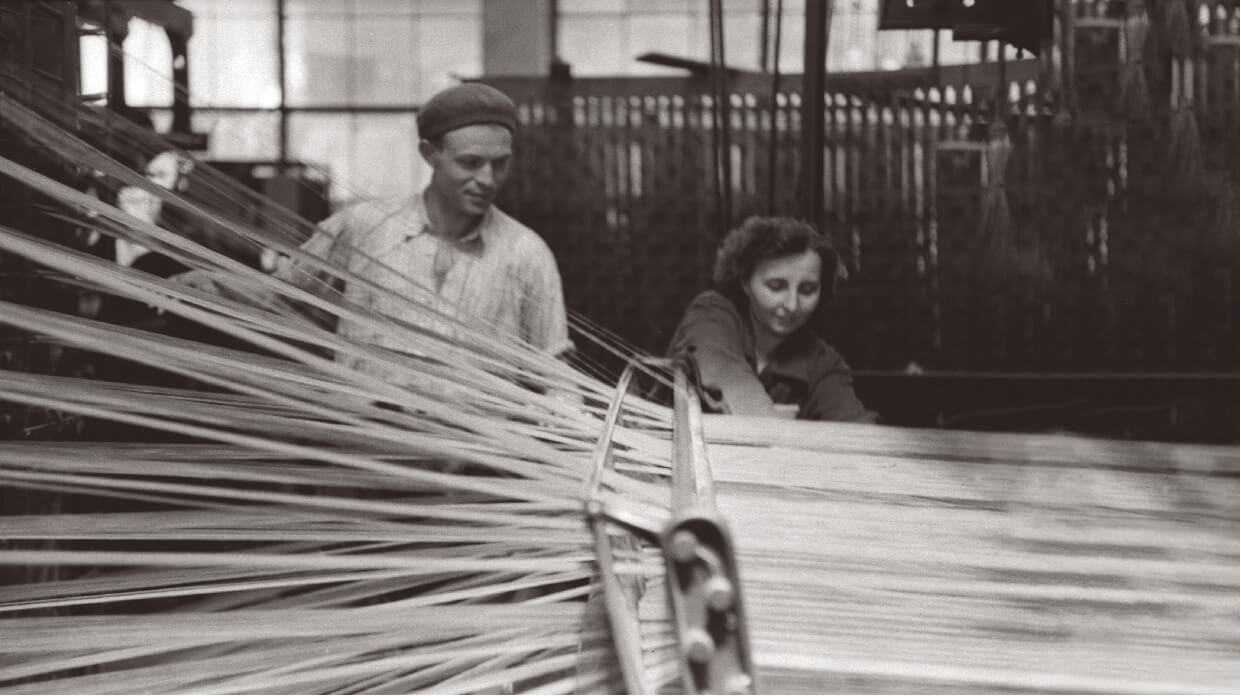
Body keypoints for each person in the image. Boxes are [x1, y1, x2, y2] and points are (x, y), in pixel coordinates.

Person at [182, 83, 573, 376]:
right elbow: (284, 297)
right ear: (429, 154)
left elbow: (554, 371)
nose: (487, 179)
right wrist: (195, 286)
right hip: (371, 458)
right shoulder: (363, 228)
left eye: (499, 163)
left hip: (483, 470)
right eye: (470, 163)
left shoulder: (526, 253)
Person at [667, 216, 877, 422]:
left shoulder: (823, 362)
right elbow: (726, 372)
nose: (792, 305)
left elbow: (856, 424)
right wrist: (777, 429)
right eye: (776, 287)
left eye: (807, 290)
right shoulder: (711, 312)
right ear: (745, 282)